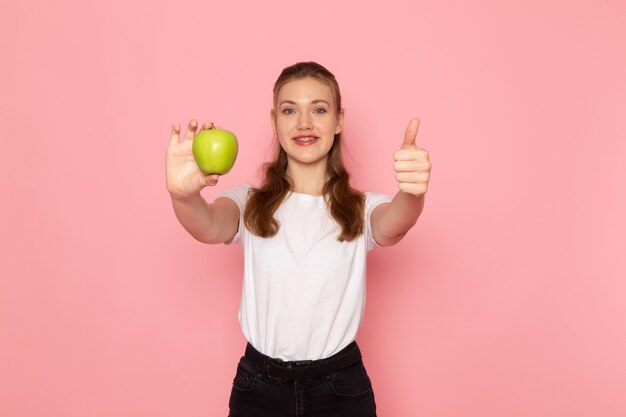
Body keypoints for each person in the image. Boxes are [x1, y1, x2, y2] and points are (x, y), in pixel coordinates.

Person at [165, 61, 431, 417]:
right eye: (290, 110)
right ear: (274, 119)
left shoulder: (363, 208)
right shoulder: (249, 202)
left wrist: (413, 193)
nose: (304, 123)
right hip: (258, 386)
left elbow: (394, 224)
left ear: (339, 120)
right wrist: (183, 197)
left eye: (319, 110)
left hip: (341, 387)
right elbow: (208, 225)